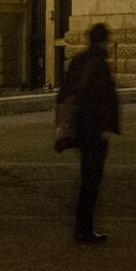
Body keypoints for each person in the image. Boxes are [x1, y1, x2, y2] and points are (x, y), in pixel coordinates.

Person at [56, 22, 121, 244]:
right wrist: (106, 127)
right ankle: (85, 230)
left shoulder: (79, 60)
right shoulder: (99, 64)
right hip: (93, 131)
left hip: (80, 128)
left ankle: (82, 228)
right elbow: (104, 99)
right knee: (91, 181)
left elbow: (64, 94)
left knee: (87, 179)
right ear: (103, 41)